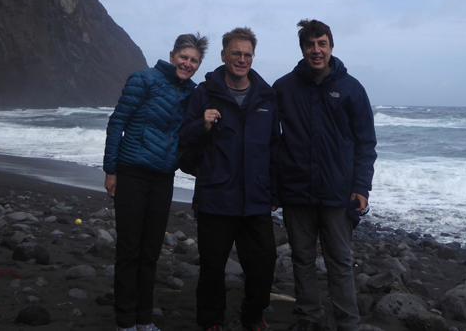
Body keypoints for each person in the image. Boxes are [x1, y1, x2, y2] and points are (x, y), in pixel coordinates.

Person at [273, 19, 377, 331]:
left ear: (331, 47)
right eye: (310, 44)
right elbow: (268, 139)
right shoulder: (283, 88)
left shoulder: (351, 89)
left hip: (337, 191)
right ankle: (309, 317)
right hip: (296, 191)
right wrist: (274, 188)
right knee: (302, 259)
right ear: (302, 48)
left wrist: (361, 186)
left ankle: (348, 323)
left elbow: (366, 142)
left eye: (322, 44)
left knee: (340, 262)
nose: (316, 50)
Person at [103, 33, 209, 331]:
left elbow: (189, 132)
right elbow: (117, 123)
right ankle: (125, 321)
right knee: (129, 250)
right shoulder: (143, 80)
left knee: (150, 251)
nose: (187, 64)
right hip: (132, 173)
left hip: (163, 178)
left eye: (194, 61)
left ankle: (144, 319)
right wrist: (110, 171)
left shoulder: (191, 93)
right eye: (184, 57)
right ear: (173, 55)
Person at [179, 27, 279, 331]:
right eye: (236, 53)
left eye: (247, 54)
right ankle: (211, 322)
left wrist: (273, 193)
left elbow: (274, 148)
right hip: (216, 197)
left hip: (256, 199)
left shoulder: (266, 96)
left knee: (263, 265)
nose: (242, 59)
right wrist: (203, 128)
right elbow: (183, 142)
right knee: (212, 267)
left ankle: (252, 316)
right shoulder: (204, 93)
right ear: (224, 55)